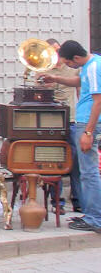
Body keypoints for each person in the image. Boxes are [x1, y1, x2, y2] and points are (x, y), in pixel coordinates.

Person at [39, 40, 101, 232]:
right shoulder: (92, 64)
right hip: (85, 123)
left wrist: (88, 132)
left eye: (68, 63)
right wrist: (55, 79)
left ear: (76, 58)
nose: (68, 67)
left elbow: (98, 101)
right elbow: (79, 81)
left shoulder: (92, 68)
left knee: (89, 172)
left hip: (86, 123)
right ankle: (92, 214)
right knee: (87, 171)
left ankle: (95, 218)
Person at [43, 38, 80, 213]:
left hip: (72, 118)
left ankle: (78, 200)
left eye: (58, 51)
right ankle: (57, 202)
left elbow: (81, 92)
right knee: (53, 161)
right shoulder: (43, 68)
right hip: (51, 121)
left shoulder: (73, 68)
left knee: (76, 161)